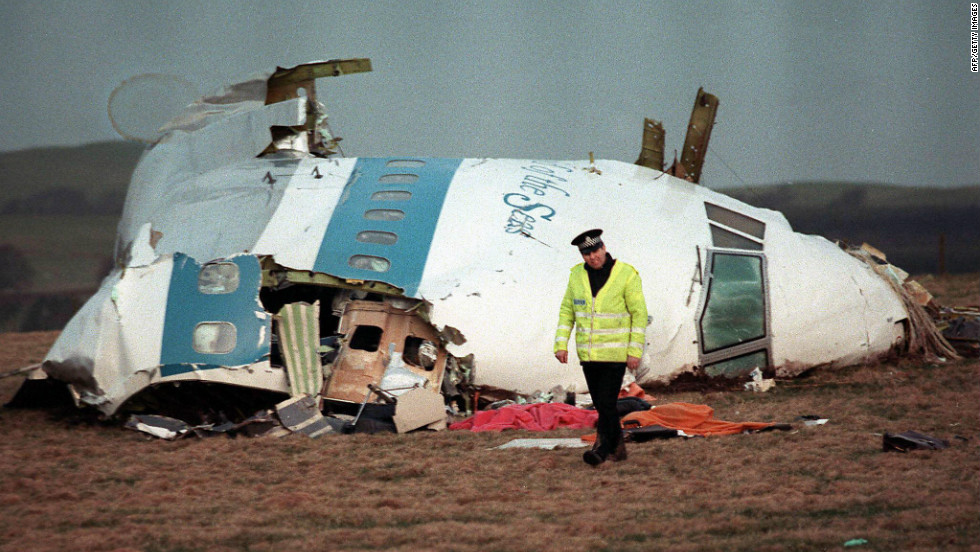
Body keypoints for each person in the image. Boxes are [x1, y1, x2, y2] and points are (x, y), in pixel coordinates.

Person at [554, 228, 648, 466]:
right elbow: (567, 311)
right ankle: (618, 448)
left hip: (615, 355)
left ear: (604, 248)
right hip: (588, 354)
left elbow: (639, 314)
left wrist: (634, 351)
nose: (592, 257)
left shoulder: (626, 274)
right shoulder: (576, 275)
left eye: (595, 250)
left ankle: (601, 450)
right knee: (602, 405)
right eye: (586, 253)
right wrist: (560, 344)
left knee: (606, 404)